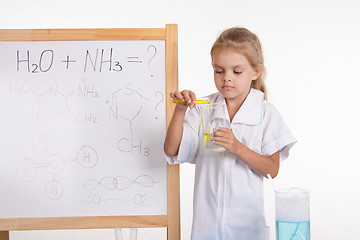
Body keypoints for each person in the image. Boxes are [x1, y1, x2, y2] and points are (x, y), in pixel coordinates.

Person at [164, 27, 297, 240]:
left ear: (255, 72)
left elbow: (272, 170)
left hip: (247, 230)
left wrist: (237, 147)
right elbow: (171, 149)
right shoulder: (203, 108)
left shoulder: (265, 113)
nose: (226, 78)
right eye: (219, 71)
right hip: (206, 229)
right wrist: (179, 111)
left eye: (236, 72)